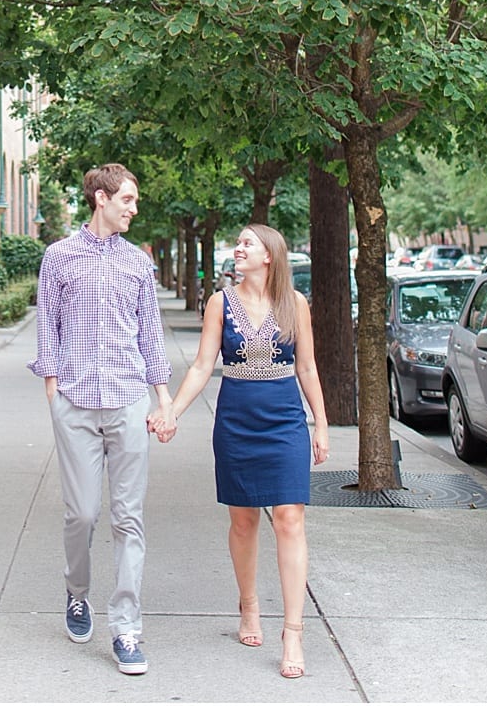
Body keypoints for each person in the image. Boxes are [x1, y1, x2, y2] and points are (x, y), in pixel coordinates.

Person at [156, 223, 330, 681]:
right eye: (237, 244)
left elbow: (308, 367)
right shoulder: (220, 302)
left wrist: (322, 424)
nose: (238, 249)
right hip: (235, 419)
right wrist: (171, 410)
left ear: (269, 255)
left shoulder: (295, 305)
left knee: (290, 517)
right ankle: (248, 605)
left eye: (246, 244)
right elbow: (201, 365)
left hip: (285, 421)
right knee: (244, 519)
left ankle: (293, 631)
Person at [28, 163, 173, 677]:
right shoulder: (59, 256)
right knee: (83, 514)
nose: (134, 208)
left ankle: (126, 628)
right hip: (75, 401)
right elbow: (48, 321)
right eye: (128, 199)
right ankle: (76, 593)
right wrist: (52, 386)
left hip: (130, 400)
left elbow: (149, 334)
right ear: (100, 198)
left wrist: (164, 399)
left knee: (128, 517)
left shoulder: (137, 263)